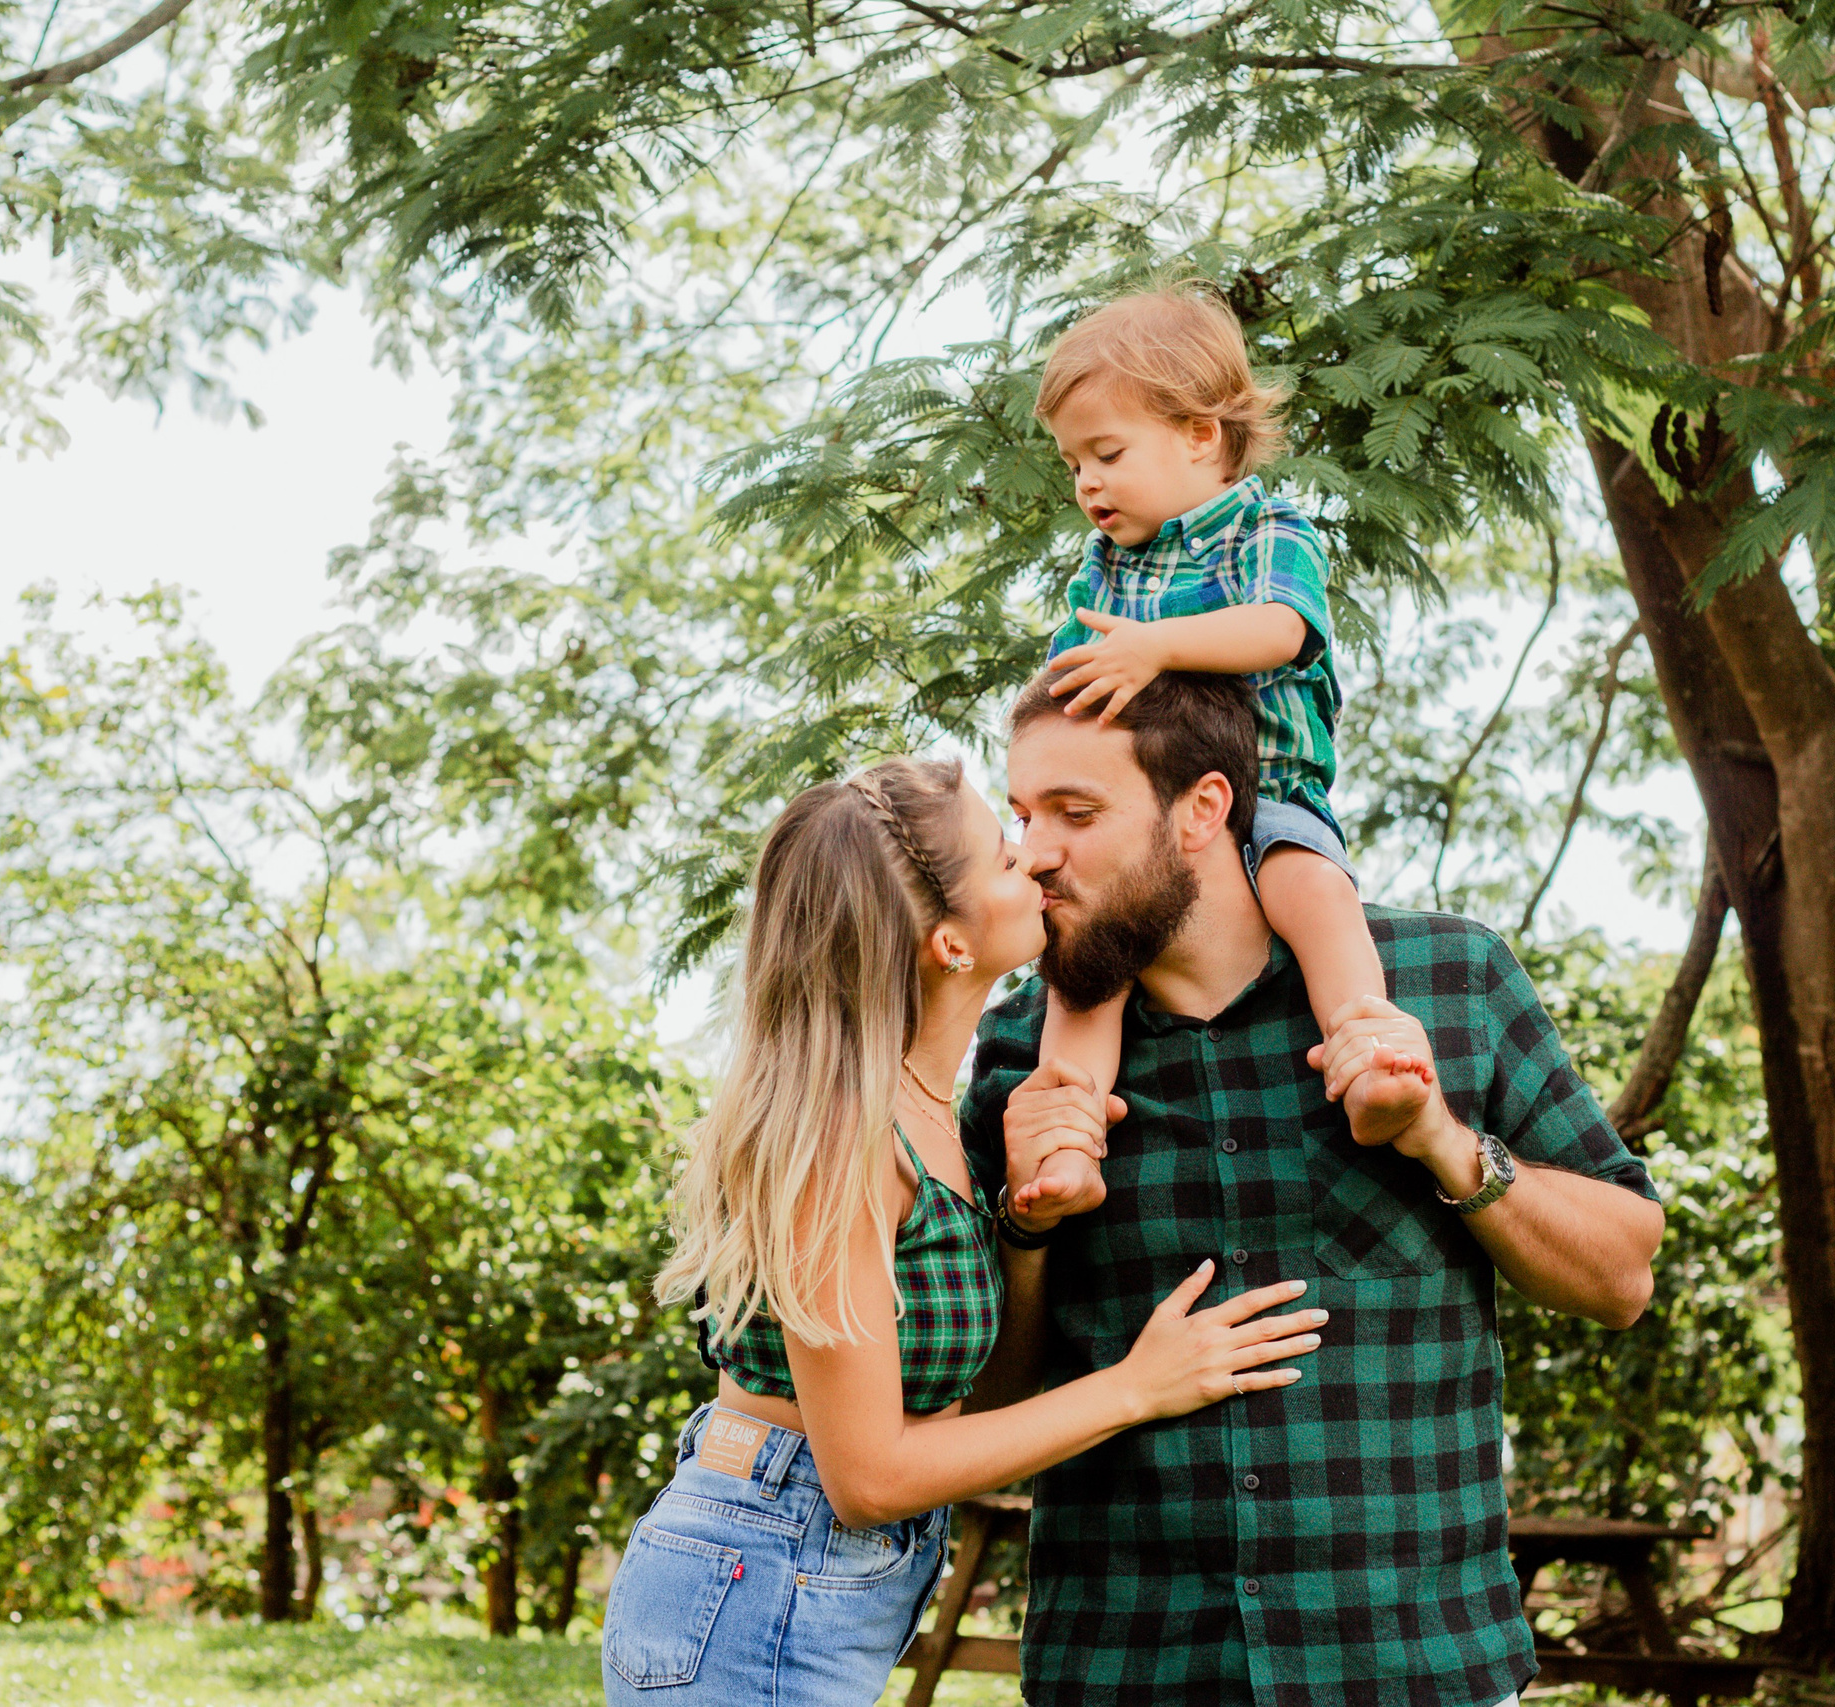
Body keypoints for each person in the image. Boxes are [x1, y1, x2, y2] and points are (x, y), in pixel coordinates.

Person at [966, 671, 1668, 1707]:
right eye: (1023, 816)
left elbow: (1621, 1275)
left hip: (1414, 1665)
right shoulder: (1027, 1049)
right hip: (1128, 1665)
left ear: (1203, 808)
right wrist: (1025, 1229)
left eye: (1077, 813)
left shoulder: (1447, 981)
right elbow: (987, 1399)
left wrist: (1441, 1139)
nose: (1035, 853)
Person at [604, 757, 1326, 1706]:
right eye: (1002, 854)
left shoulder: (928, 1109)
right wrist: (1137, 1387)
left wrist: (1025, 1235)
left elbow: (958, 1405)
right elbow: (868, 1475)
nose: (1033, 860)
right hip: (755, 1587)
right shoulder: (843, 1143)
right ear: (948, 942)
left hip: (800, 1585)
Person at [1016, 283, 1427, 1228]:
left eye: (1107, 453)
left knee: (1313, 890)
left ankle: (1369, 1058)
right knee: (1092, 958)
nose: (1087, 482)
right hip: (1152, 818)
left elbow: (1282, 630)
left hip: (1268, 789)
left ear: (1200, 434)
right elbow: (1075, 677)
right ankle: (1067, 1136)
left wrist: (1158, 646)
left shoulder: (1267, 530)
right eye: (1074, 461)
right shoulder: (1103, 567)